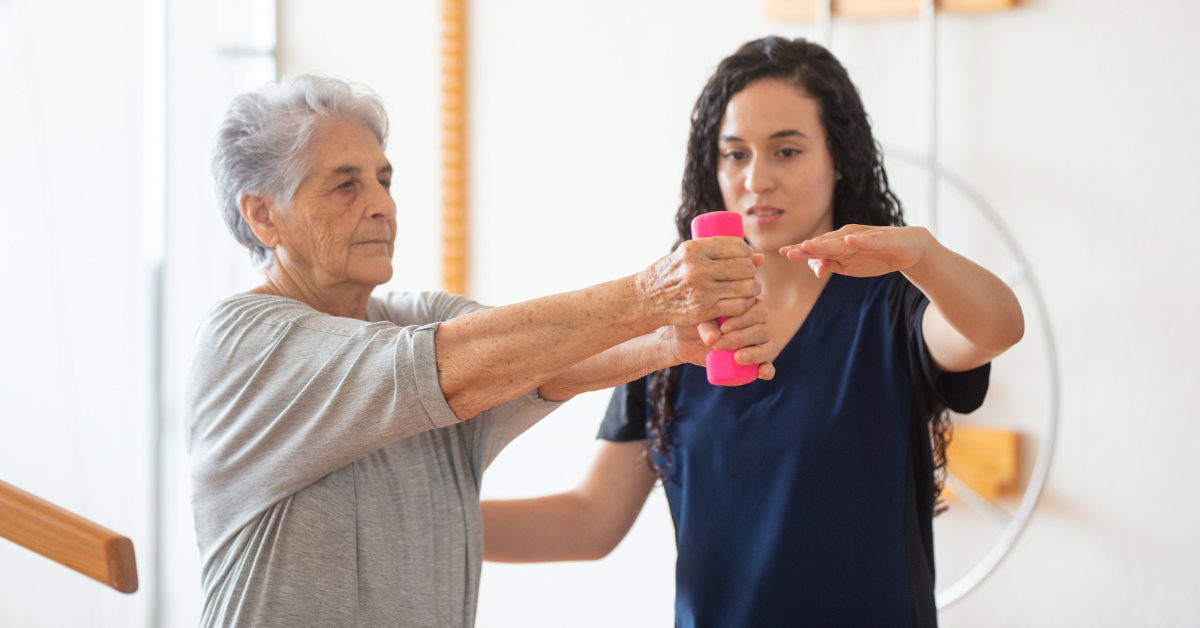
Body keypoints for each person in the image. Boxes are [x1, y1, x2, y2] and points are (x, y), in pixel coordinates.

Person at [184, 74, 777, 628]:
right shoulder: (242, 342)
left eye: (384, 180)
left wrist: (668, 342)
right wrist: (652, 296)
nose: (382, 206)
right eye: (346, 184)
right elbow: (443, 368)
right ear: (264, 215)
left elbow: (536, 362)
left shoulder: (420, 319)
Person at [480, 37, 1025, 628]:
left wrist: (922, 253)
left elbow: (996, 327)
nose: (756, 179)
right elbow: (589, 520)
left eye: (786, 152)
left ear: (838, 158)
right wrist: (423, 517)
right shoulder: (676, 332)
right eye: (735, 155)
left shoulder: (891, 308)